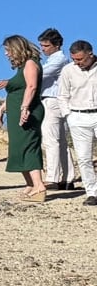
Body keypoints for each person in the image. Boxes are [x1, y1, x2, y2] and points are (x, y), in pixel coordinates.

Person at [0, 35, 47, 202]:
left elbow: (32, 86)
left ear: (17, 48)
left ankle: (39, 186)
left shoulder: (30, 63)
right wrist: (2, 109)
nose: (7, 54)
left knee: (29, 146)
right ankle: (30, 184)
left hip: (28, 111)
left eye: (8, 50)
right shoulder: (21, 67)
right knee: (19, 147)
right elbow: (17, 90)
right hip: (16, 112)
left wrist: (25, 108)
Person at [59, 40, 97, 206]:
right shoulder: (68, 70)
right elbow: (62, 95)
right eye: (74, 59)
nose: (77, 63)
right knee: (83, 157)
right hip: (78, 116)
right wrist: (69, 116)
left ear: (90, 54)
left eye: (80, 59)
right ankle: (92, 192)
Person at [37, 30, 72, 191]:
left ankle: (53, 177)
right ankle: (67, 176)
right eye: (42, 45)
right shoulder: (56, 59)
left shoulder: (58, 60)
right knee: (61, 141)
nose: (43, 48)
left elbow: (39, 75)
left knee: (51, 140)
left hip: (52, 100)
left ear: (56, 45)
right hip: (56, 101)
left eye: (46, 45)